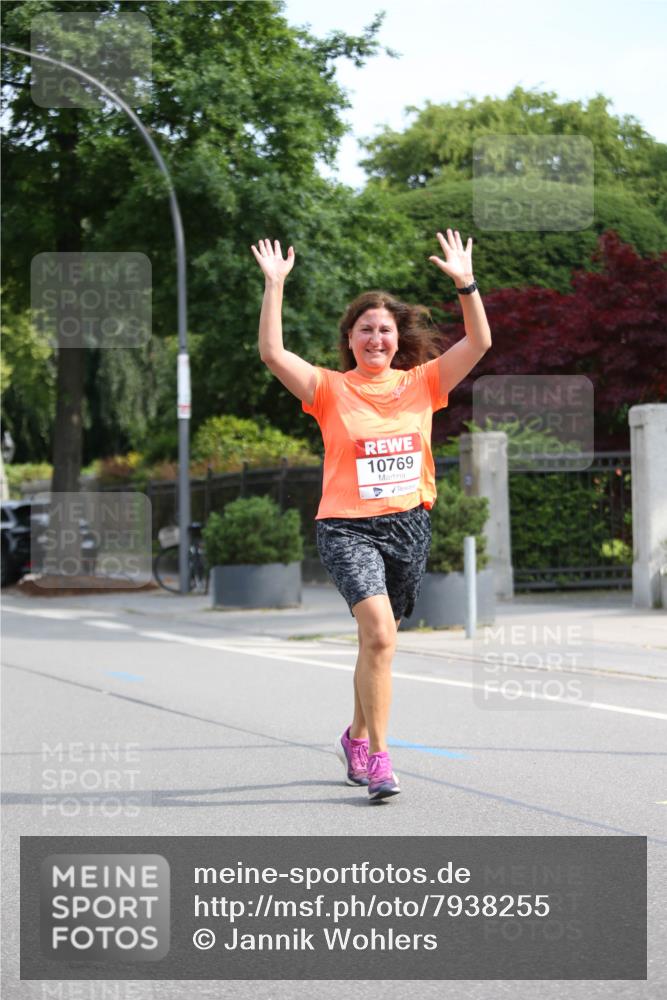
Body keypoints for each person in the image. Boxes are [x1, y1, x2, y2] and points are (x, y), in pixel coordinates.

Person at [251, 230, 491, 802]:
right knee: (380, 633)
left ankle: (356, 735)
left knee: (378, 644)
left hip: (409, 523)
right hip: (346, 527)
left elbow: (479, 343)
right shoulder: (329, 389)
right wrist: (275, 286)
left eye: (385, 329)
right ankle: (380, 759)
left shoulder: (423, 382)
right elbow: (272, 354)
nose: (377, 337)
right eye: (366, 329)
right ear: (351, 339)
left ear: (396, 337)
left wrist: (466, 282)